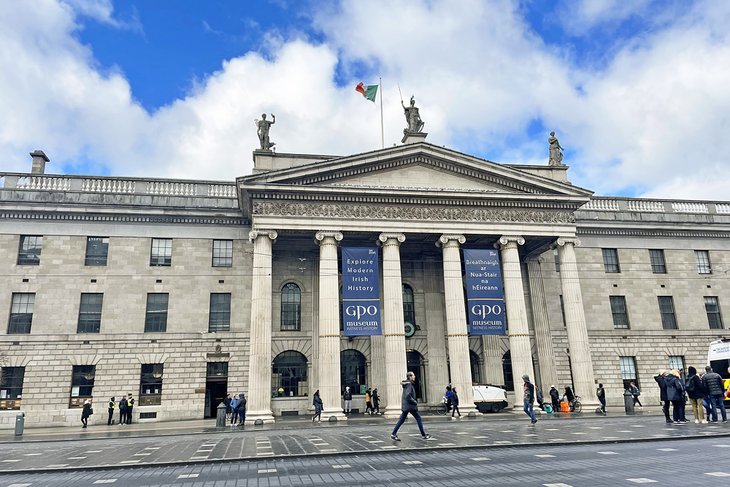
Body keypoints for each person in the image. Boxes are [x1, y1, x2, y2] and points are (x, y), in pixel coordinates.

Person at [391, 371, 431, 441]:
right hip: (410, 406)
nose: (414, 377)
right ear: (410, 377)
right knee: (418, 418)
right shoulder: (409, 384)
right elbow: (407, 395)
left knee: (401, 420)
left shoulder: (407, 384)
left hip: (407, 406)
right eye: (413, 375)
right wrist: (414, 401)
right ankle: (423, 435)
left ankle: (393, 434)